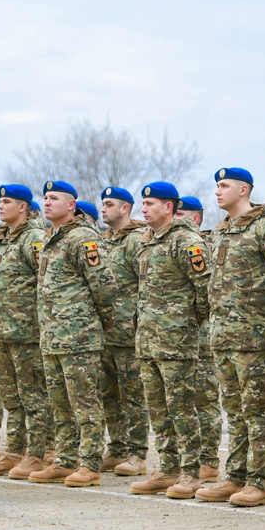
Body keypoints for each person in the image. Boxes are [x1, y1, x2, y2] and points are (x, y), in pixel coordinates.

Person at [195, 167, 265, 507]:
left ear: (244, 190)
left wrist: (263, 312)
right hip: (223, 337)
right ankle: (235, 475)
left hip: (253, 337)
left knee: (256, 410)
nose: (217, 191)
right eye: (216, 185)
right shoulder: (223, 231)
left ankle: (258, 481)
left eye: (224, 185)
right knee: (234, 410)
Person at [28, 180, 117, 487]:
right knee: (60, 403)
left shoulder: (82, 238)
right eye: (45, 198)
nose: (47, 202)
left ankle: (90, 462)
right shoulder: (53, 238)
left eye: (54, 198)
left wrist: (97, 324)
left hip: (78, 336)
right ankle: (66, 459)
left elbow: (105, 287)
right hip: (53, 336)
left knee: (84, 401)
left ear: (71, 205)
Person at [129, 181, 210, 497]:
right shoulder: (147, 241)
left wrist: (187, 323)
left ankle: (191, 472)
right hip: (148, 340)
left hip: (176, 342)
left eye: (150, 204)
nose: (144, 209)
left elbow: (205, 289)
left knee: (182, 408)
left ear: (169, 207)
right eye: (143, 204)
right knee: (158, 410)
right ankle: (167, 468)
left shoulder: (186, 241)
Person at [0, 185, 51, 478]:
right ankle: (13, 451)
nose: (0, 206)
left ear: (22, 207)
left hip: (25, 332)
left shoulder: (33, 238)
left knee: (32, 396)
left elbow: (44, 281)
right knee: (11, 398)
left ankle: (37, 453)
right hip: (1, 332)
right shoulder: (2, 240)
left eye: (6, 201)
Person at [98, 186, 148, 477]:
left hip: (129, 333)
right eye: (103, 204)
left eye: (109, 204)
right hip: (105, 333)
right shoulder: (102, 242)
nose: (103, 209)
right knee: (109, 395)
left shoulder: (136, 241)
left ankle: (137, 453)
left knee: (134, 396)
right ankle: (116, 449)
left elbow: (146, 284)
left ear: (125, 208)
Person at [175, 195, 222, 480]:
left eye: (179, 213)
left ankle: (209, 460)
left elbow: (206, 291)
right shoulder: (176, 242)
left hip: (203, 335)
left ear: (193, 218)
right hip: (182, 336)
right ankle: (188, 457)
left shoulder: (206, 244)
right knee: (182, 401)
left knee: (205, 399)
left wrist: (200, 319)